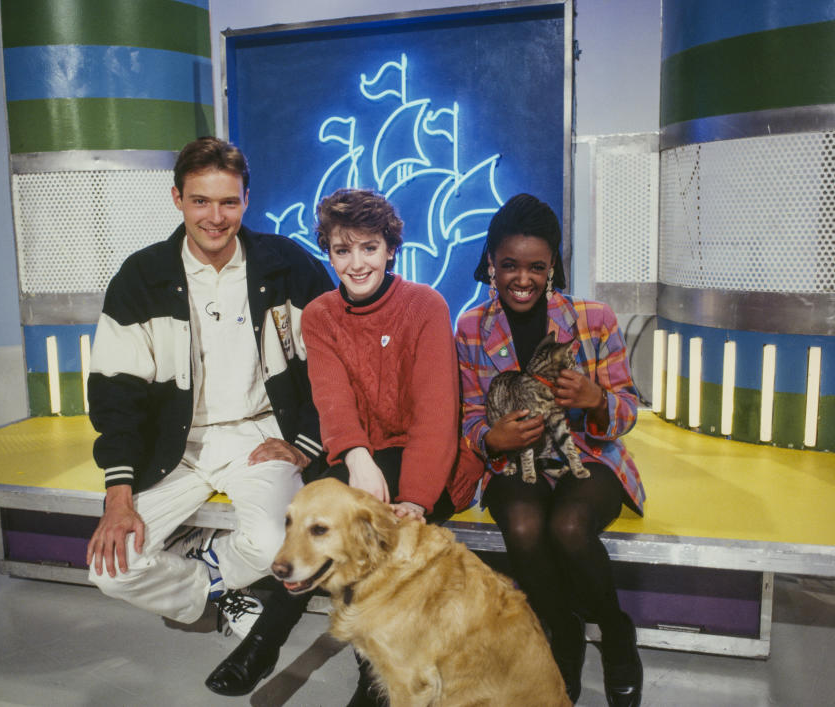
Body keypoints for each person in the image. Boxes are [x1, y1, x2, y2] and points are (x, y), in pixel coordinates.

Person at [206, 188, 480, 705]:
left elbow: (435, 416)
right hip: (357, 458)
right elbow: (332, 401)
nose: (356, 264)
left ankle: (321, 661)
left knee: (362, 530)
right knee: (329, 519)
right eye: (342, 250)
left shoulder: (425, 305)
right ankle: (274, 645)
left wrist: (417, 499)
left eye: (369, 248)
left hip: (427, 463)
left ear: (390, 250)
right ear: (328, 252)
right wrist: (356, 458)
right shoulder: (322, 314)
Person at [85, 137, 333, 641]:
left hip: (259, 437)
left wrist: (305, 443)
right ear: (176, 198)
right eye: (200, 200)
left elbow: (334, 365)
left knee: (275, 549)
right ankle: (218, 581)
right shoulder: (142, 276)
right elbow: (115, 394)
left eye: (228, 201)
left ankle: (207, 566)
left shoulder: (287, 264)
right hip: (175, 444)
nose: (215, 217)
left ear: (246, 200)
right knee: (109, 570)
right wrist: (118, 494)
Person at [455, 194, 646, 707]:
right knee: (522, 524)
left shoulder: (593, 318)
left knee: (567, 526)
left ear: (553, 266)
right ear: (491, 264)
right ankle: (561, 630)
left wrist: (597, 400)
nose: (523, 278)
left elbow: (626, 410)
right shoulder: (471, 327)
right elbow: (471, 416)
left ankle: (614, 635)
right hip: (515, 461)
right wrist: (491, 438)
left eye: (537, 266)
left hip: (589, 454)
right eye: (509, 265)